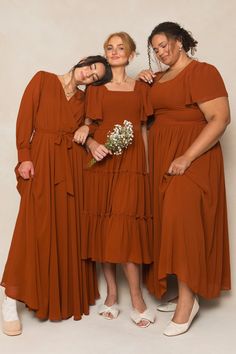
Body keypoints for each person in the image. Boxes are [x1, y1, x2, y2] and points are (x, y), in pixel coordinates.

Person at [1, 55, 112, 336]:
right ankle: (10, 299)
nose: (88, 75)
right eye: (90, 67)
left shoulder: (84, 101)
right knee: (32, 227)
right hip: (41, 158)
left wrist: (87, 129)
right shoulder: (42, 79)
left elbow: (96, 123)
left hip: (71, 166)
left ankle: (56, 296)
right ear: (81, 62)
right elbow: (24, 121)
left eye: (94, 76)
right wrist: (24, 157)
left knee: (64, 228)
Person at [139, 21, 231, 336]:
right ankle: (181, 290)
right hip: (165, 158)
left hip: (193, 158)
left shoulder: (203, 72)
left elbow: (220, 119)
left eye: (164, 45)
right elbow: (144, 113)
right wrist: (142, 82)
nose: (161, 53)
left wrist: (187, 156)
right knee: (169, 224)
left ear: (180, 42)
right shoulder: (159, 79)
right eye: (155, 49)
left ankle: (188, 303)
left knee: (183, 220)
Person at [74, 32, 155, 328]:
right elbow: (87, 128)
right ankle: (111, 295)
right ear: (105, 55)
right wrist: (90, 142)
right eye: (110, 48)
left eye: (122, 48)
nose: (115, 51)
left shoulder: (143, 87)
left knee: (125, 228)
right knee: (104, 225)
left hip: (132, 165)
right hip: (101, 164)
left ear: (131, 55)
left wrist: (147, 167)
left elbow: (145, 130)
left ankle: (137, 299)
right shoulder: (95, 90)